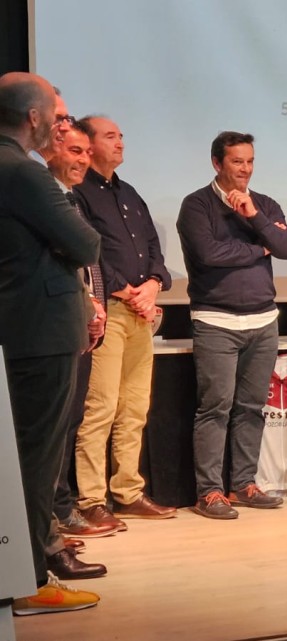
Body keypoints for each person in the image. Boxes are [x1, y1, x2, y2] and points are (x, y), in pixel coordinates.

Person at [0, 71, 101, 614]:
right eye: (56, 116)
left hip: (15, 327)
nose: (60, 126)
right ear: (34, 118)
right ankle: (30, 581)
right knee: (37, 462)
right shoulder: (26, 173)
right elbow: (86, 244)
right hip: (38, 330)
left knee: (17, 458)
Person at [177, 132, 287, 518]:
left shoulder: (263, 204)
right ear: (217, 163)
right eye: (236, 161)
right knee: (216, 407)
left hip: (263, 320)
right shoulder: (196, 205)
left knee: (250, 407)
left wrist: (254, 218)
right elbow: (211, 254)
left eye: (249, 161)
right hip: (216, 321)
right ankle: (209, 492)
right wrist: (259, 247)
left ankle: (243, 483)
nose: (245, 168)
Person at [73, 115, 176, 525]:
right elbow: (87, 252)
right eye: (110, 136)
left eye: (122, 137)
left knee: (135, 407)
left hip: (141, 315)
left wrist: (152, 285)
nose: (120, 143)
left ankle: (128, 491)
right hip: (109, 313)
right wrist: (127, 292)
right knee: (100, 408)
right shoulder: (78, 193)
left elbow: (153, 248)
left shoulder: (130, 193)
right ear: (89, 144)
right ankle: (91, 501)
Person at [41, 121, 113, 581]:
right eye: (73, 150)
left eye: (87, 152)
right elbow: (83, 249)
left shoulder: (69, 198)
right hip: (46, 328)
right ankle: (46, 534)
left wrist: (93, 307)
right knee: (49, 436)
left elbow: (88, 263)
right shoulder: (41, 194)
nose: (83, 159)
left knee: (66, 425)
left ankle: (54, 522)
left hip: (75, 324)